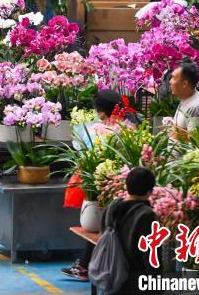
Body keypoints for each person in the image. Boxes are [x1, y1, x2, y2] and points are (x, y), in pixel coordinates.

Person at [62, 89, 139, 281]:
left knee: (99, 225)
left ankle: (87, 266)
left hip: (108, 185)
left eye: (98, 110)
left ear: (102, 111)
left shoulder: (104, 130)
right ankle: (85, 264)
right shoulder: (131, 127)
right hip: (122, 184)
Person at [99, 167, 161, 294]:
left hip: (110, 274)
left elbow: (101, 236)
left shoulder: (111, 207)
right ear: (150, 191)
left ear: (127, 186)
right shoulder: (146, 215)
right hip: (135, 282)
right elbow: (151, 256)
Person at [170, 61, 199, 140]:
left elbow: (194, 142)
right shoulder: (186, 98)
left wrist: (174, 131)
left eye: (173, 77)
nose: (170, 81)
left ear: (184, 84)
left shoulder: (195, 107)